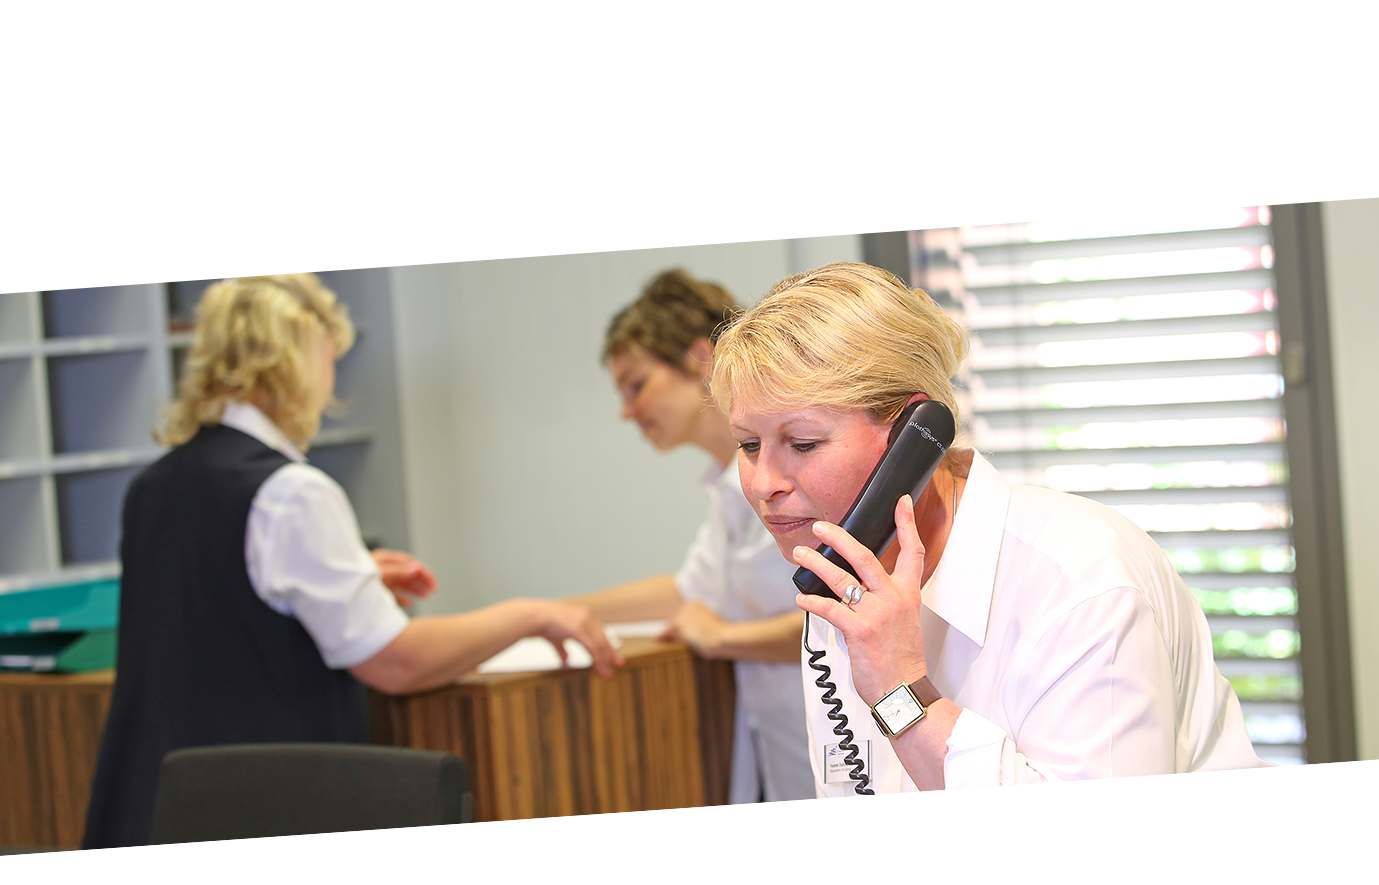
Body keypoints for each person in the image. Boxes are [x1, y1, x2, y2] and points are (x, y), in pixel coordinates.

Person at [83, 274, 623, 849]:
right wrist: (529, 615)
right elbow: (395, 662)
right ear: (298, 357)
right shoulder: (290, 492)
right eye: (328, 357)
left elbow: (216, 609)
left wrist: (345, 576)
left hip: (158, 807)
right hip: (261, 804)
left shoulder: (153, 486)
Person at [708, 262, 1271, 796]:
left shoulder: (1081, 582)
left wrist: (900, 693)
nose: (764, 483)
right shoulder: (843, 588)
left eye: (803, 443)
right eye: (749, 445)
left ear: (913, 435)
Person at [564, 268, 815, 805]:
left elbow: (848, 611)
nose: (626, 411)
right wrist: (554, 613)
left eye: (636, 385)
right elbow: (688, 592)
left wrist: (723, 639)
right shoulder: (727, 487)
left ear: (701, 360)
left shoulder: (799, 476)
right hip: (782, 752)